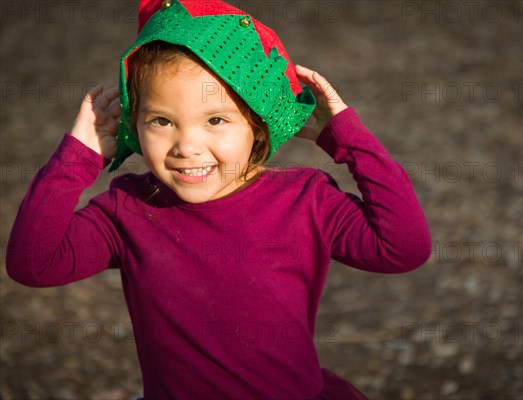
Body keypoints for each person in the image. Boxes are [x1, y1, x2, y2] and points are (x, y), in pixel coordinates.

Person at [6, 0, 431, 398]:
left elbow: (402, 249)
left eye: (215, 119)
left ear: (257, 121)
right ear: (133, 123)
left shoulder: (305, 201)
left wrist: (346, 138)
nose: (186, 146)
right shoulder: (130, 210)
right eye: (161, 121)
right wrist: (77, 159)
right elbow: (34, 264)